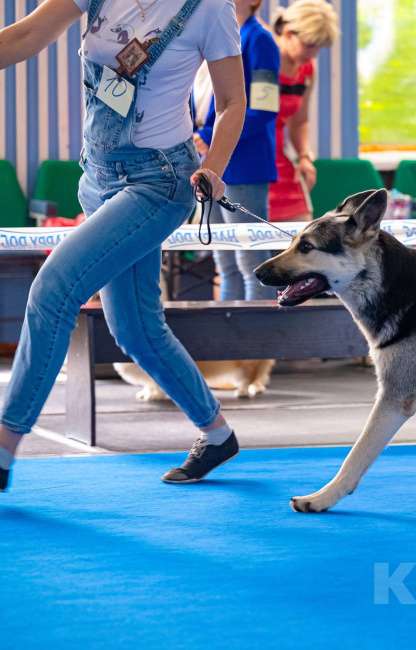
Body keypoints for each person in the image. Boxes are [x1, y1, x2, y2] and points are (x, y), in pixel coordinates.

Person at [0, 0, 247, 492]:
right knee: (134, 329)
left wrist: (214, 168)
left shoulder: (210, 8)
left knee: (53, 290)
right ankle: (217, 434)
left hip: (161, 180)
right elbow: (25, 38)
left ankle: (3, 447)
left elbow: (233, 104)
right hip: (98, 179)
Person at [194, 0, 280, 300]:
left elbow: (264, 109)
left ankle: (264, 342)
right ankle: (231, 344)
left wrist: (207, 135)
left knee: (251, 262)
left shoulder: (261, 40)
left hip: (245, 166)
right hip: (209, 161)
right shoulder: (212, 35)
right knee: (225, 262)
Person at [267, 0, 338, 221]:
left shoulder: (307, 68)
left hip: (284, 163)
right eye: (310, 45)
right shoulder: (263, 57)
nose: (314, 54)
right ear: (288, 33)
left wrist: (305, 156)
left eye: (319, 46)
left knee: (303, 236)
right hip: (255, 157)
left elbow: (299, 120)